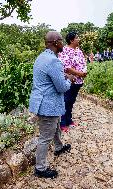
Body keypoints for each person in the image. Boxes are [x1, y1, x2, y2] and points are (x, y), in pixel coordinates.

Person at [29, 31, 74, 179]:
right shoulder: (54, 61)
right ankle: (40, 168)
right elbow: (61, 87)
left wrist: (63, 76)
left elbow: (49, 78)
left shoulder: (42, 57)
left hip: (43, 101)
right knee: (45, 137)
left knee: (56, 126)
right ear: (55, 43)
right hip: (48, 105)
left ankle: (59, 147)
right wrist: (70, 80)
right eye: (61, 40)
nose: (63, 43)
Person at [58, 31, 87, 132]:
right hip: (69, 80)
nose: (79, 39)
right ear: (71, 40)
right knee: (66, 100)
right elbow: (66, 67)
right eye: (77, 37)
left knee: (72, 101)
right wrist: (79, 73)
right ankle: (62, 122)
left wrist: (84, 73)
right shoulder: (64, 50)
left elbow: (83, 62)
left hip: (78, 81)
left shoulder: (78, 50)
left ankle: (69, 119)